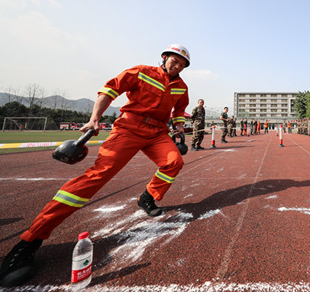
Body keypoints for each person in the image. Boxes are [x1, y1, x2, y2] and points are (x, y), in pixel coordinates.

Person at [0, 44, 191, 287]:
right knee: (96, 178)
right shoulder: (141, 72)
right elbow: (110, 89)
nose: (177, 66)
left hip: (157, 132)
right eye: (174, 60)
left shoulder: (181, 87)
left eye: (182, 64)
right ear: (164, 58)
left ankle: (148, 198)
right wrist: (95, 118)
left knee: (174, 162)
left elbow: (180, 109)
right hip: (129, 128)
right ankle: (29, 241)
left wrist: (179, 128)